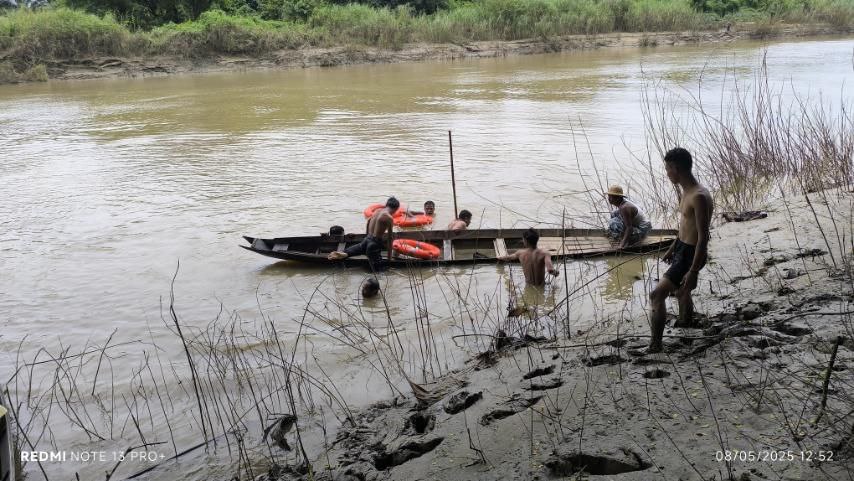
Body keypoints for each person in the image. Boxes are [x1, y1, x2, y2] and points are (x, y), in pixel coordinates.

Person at [647, 148, 714, 353]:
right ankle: (686, 322)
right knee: (681, 290)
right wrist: (672, 248)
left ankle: (655, 345)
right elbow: (685, 226)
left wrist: (693, 271)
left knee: (656, 295)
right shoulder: (686, 191)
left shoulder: (699, 196)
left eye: (668, 169)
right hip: (682, 248)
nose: (667, 173)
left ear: (676, 169)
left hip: (691, 254)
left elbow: (703, 237)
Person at [328, 197, 399, 271]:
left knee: (353, 251)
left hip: (366, 240)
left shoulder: (377, 211)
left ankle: (344, 254)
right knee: (380, 270)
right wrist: (389, 258)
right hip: (374, 245)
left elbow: (368, 221)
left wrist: (367, 236)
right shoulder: (389, 218)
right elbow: (390, 238)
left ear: (386, 205)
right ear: (395, 209)